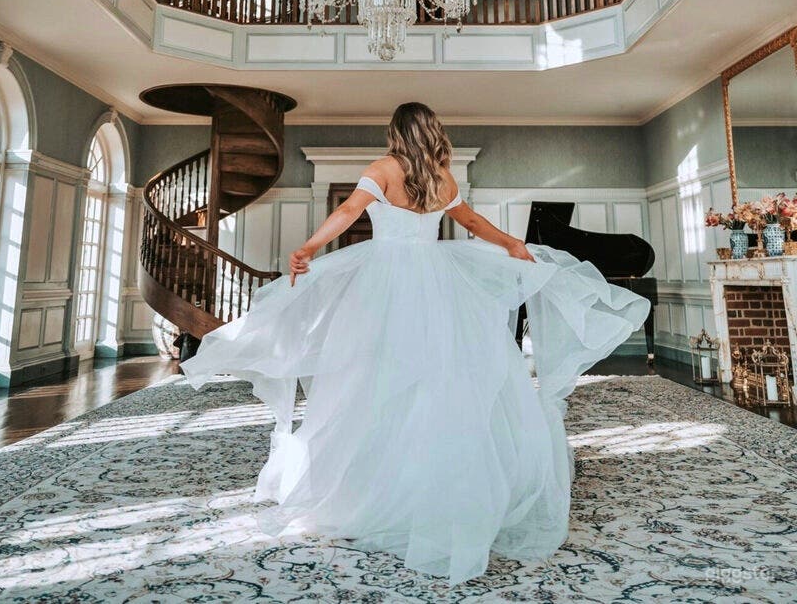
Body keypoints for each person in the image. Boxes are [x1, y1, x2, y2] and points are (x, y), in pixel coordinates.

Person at [181, 102, 649, 585]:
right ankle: (436, 484)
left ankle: (378, 484)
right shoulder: (442, 178)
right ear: (432, 133)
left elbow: (347, 211)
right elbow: (472, 224)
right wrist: (511, 243)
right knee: (440, 374)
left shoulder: (383, 168)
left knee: (371, 374)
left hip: (384, 281)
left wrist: (309, 247)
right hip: (434, 280)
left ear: (396, 132)